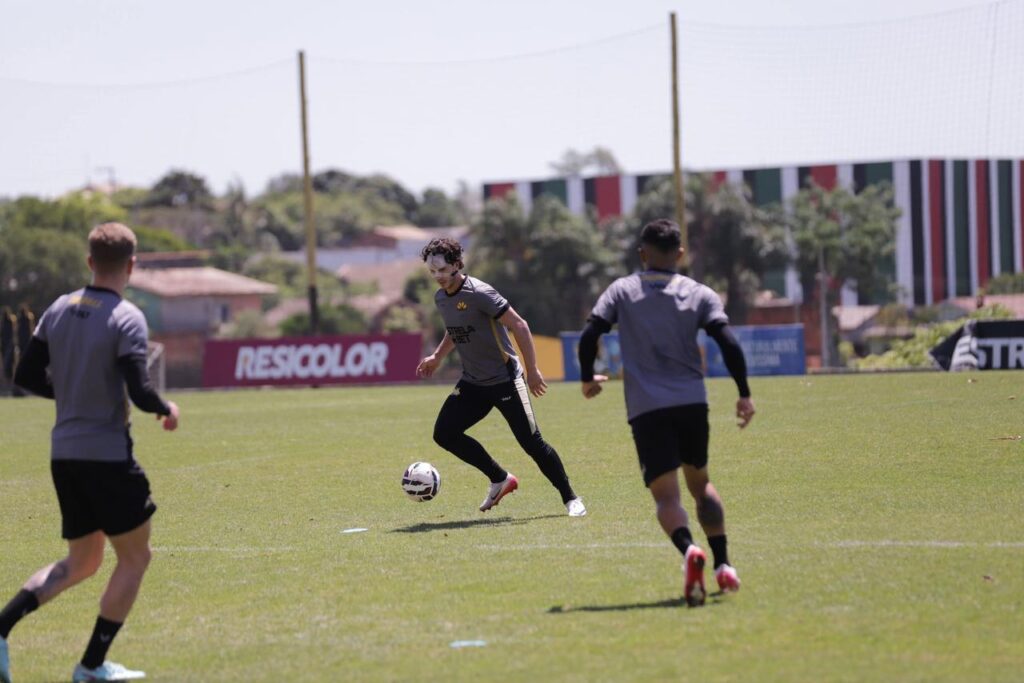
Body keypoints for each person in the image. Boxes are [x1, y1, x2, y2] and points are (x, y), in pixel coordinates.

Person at [1, 222, 179, 683]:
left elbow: (25, 374)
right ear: (132, 265)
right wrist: (166, 407)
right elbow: (140, 390)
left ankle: (0, 630)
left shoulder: (59, 308)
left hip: (64, 455)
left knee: (83, 562)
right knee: (136, 558)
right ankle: (92, 666)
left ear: (89, 262)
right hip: (107, 456)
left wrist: (71, 394)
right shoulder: (126, 317)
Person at [577, 219, 754, 607]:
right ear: (680, 253)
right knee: (701, 484)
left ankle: (690, 550)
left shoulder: (622, 290)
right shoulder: (699, 292)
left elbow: (591, 334)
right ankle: (723, 565)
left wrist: (588, 377)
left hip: (647, 408)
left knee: (667, 498)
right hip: (692, 402)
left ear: (642, 253)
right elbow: (727, 341)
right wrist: (743, 394)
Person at [415, 237, 586, 517]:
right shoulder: (441, 298)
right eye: (432, 272)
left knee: (532, 444)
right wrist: (437, 357)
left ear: (458, 265)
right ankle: (499, 478)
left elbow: (520, 325)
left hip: (505, 380)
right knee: (444, 433)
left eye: (442, 271)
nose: (438, 277)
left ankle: (571, 498)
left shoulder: (480, 293)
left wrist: (532, 371)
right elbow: (455, 330)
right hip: (473, 382)